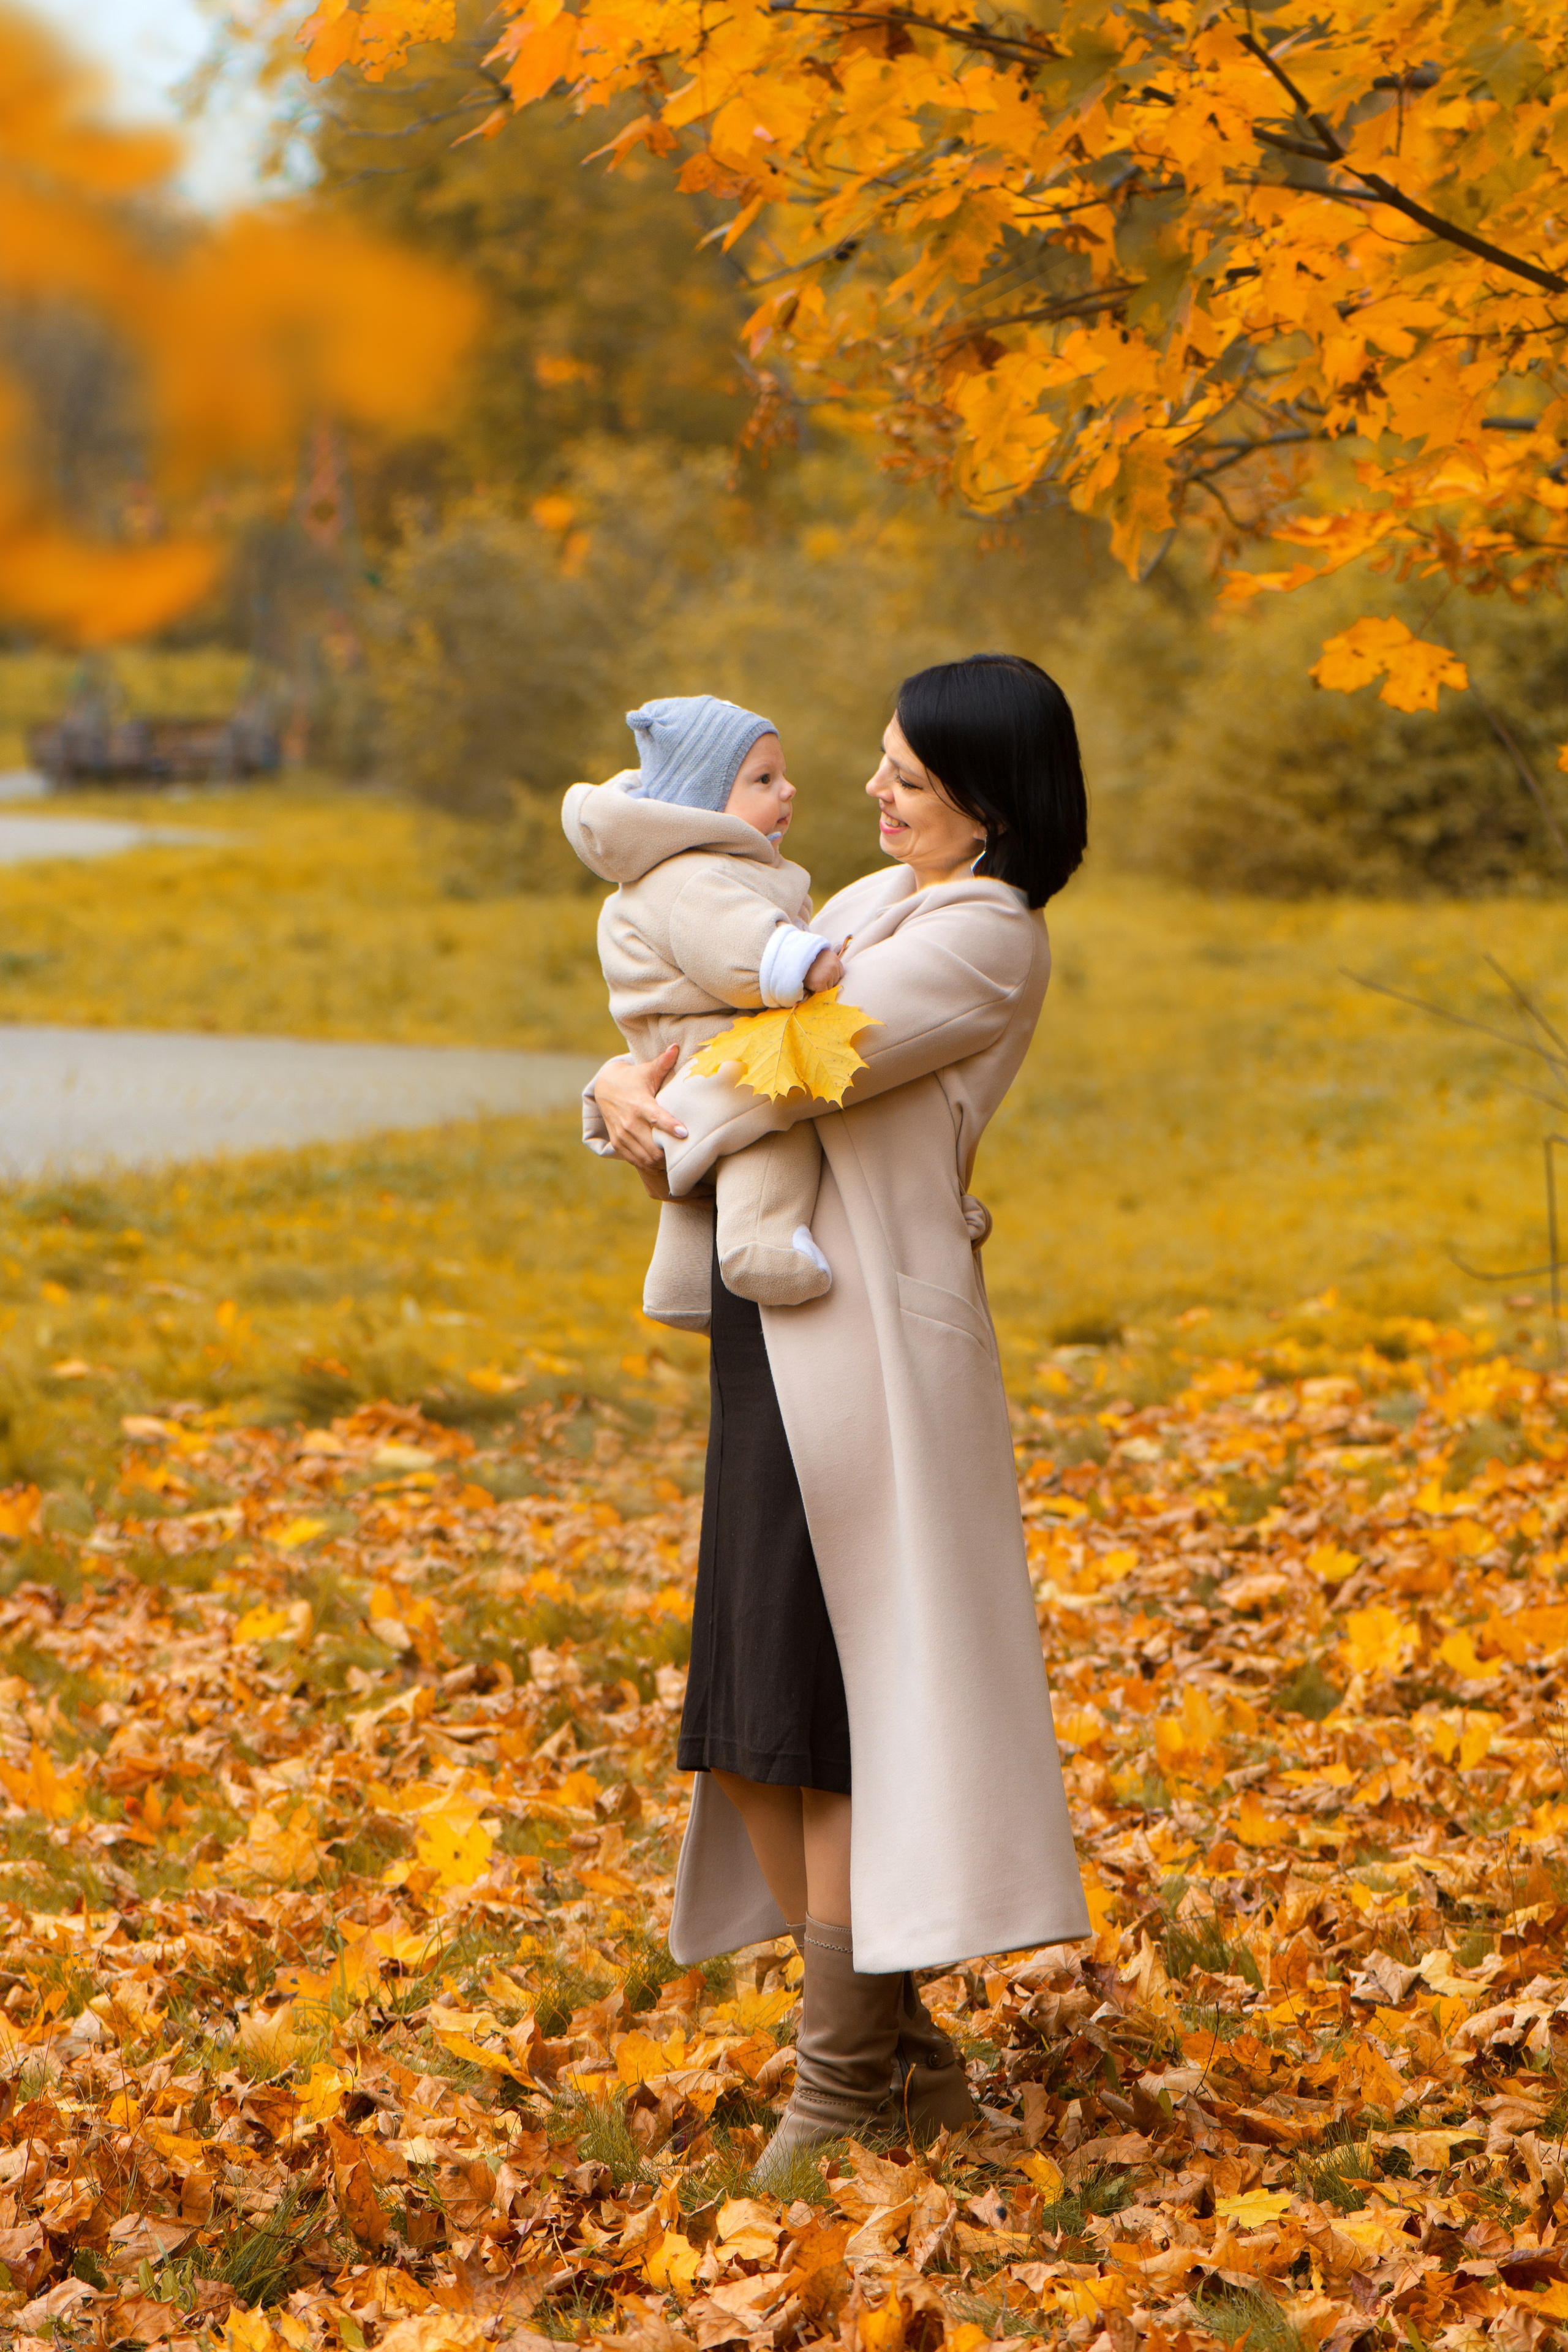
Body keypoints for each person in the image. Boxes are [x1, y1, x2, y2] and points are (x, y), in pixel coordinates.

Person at [585, 654, 1092, 2177]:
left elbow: (793, 1064)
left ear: (985, 806)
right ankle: (902, 2049)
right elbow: (717, 1020)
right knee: (750, 1707)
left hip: (876, 1354)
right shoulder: (861, 907)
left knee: (828, 1715)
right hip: (774, 1325)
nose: (870, 793)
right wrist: (613, 1088)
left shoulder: (983, 936)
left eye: (907, 779)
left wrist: (638, 1095)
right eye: (875, 763)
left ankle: (837, 2080)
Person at [563, 695, 845, 1331]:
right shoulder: (693, 878)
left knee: (695, 1198)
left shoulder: (689, 871)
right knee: (770, 1146)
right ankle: (763, 1249)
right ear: (703, 801)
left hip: (687, 1066)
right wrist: (805, 964)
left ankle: (684, 1289)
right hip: (723, 1065)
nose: (788, 790)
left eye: (782, 774)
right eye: (763, 780)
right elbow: (741, 953)